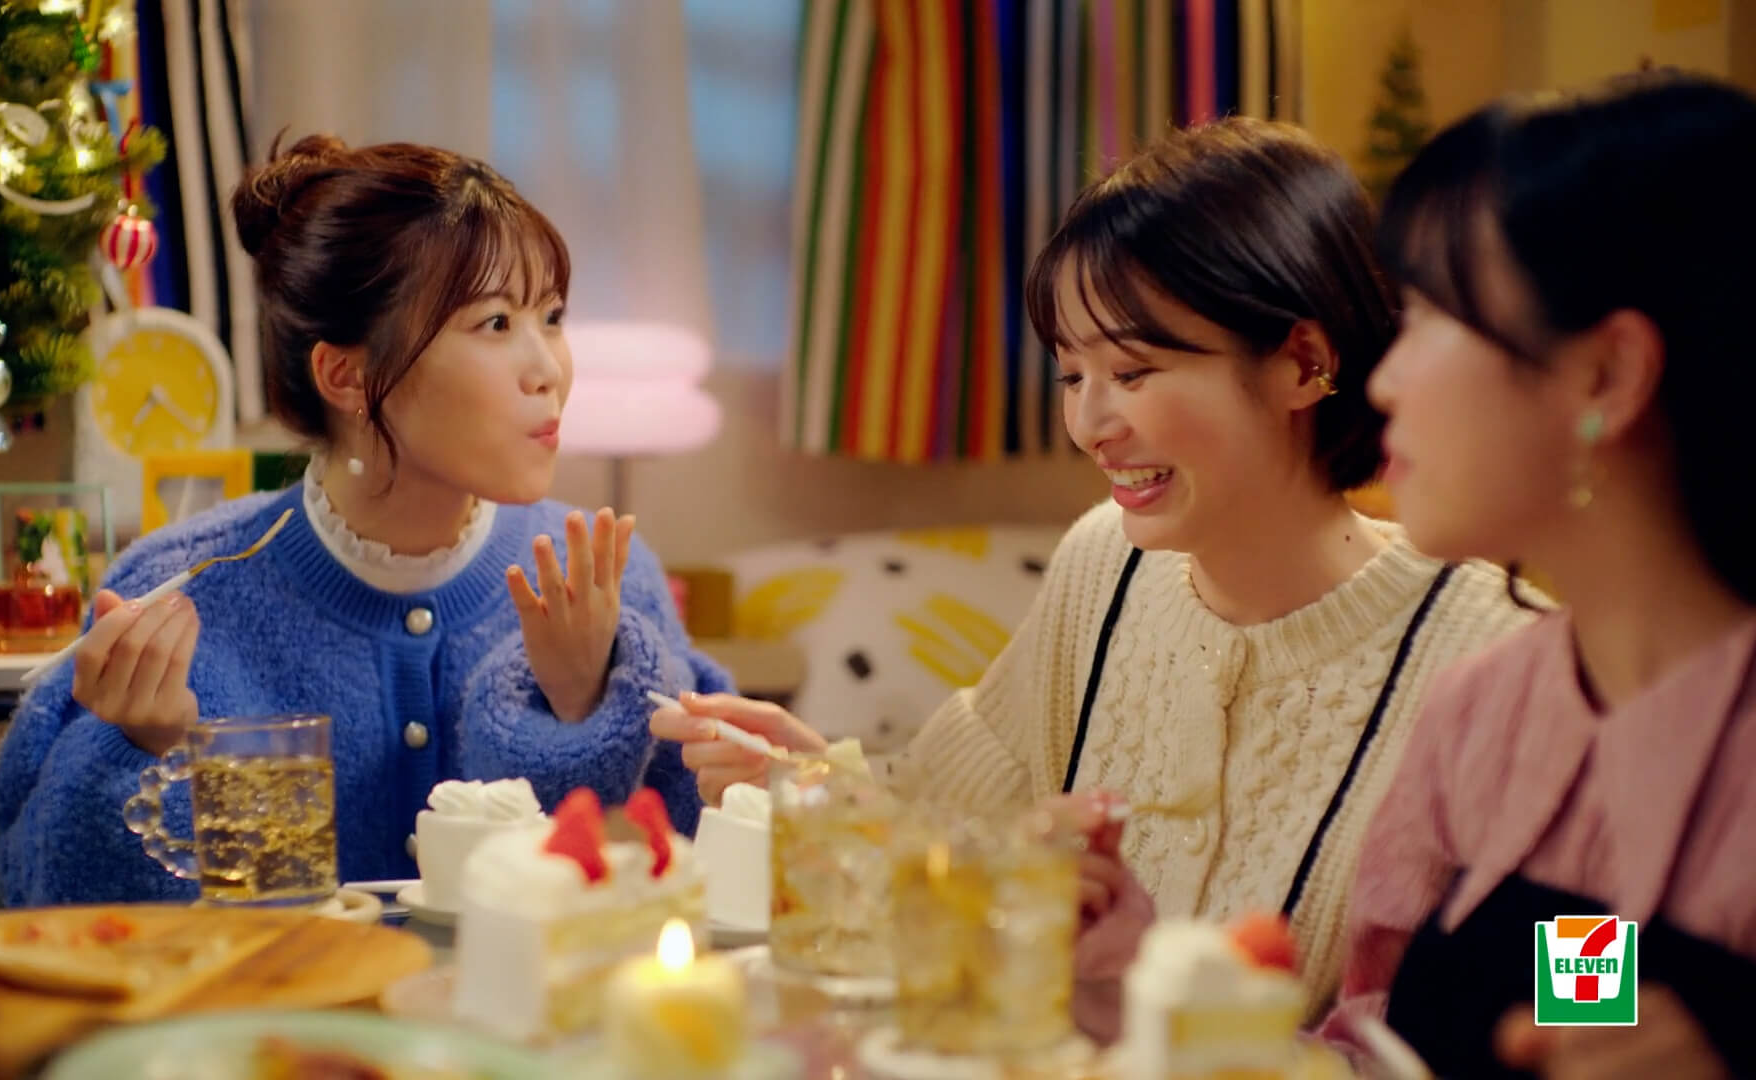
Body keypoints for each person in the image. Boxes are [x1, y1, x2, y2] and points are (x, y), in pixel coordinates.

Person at [654, 116, 1535, 1025]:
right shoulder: (1103, 561)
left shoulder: (1501, 661)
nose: (1090, 425)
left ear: (1303, 364)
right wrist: (816, 781)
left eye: (1134, 371)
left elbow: (1586, 993)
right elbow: (961, 825)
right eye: (1074, 376)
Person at [0, 135, 727, 906]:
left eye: (551, 316)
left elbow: (684, 886)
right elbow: (50, 904)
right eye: (496, 324)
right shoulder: (175, 596)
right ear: (346, 374)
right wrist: (140, 751)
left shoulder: (604, 579)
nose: (549, 369)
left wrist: (585, 708)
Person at [1325, 70, 1756, 1078]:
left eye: (1424, 315)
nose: (1382, 380)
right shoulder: (1489, 711)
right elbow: (1565, 983)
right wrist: (1132, 987)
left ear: (1607, 375)